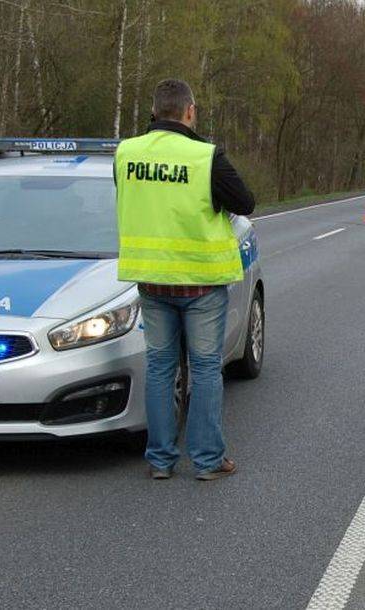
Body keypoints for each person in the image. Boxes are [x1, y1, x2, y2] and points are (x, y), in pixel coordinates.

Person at [114, 79, 255, 480]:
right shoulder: (205, 156)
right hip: (200, 282)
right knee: (206, 368)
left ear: (154, 111)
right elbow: (244, 202)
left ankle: (160, 460)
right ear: (189, 111)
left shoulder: (125, 153)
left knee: (160, 367)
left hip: (152, 281)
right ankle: (208, 460)